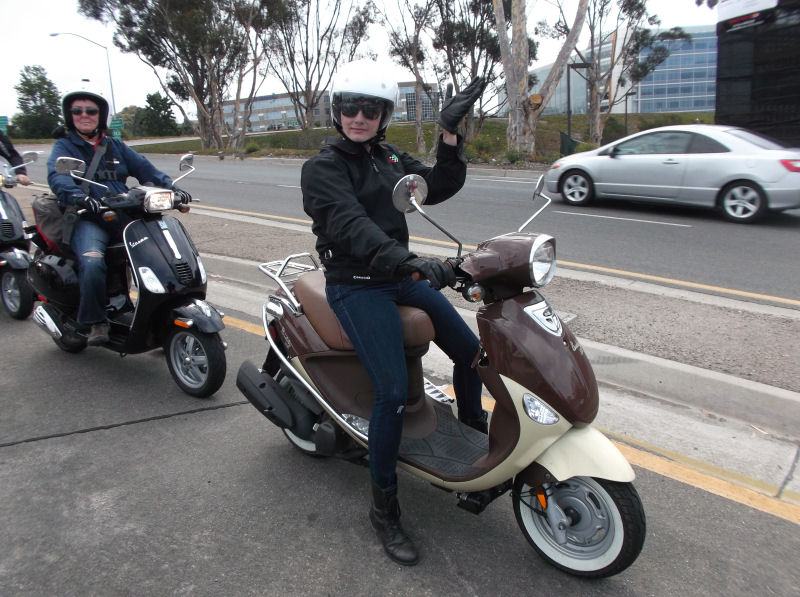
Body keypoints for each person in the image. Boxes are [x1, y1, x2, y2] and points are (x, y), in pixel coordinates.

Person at [301, 59, 486, 566]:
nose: (358, 116)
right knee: (390, 394)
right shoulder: (323, 168)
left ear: (383, 115)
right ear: (337, 112)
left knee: (473, 355)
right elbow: (350, 226)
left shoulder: (387, 157)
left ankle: (474, 441)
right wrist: (414, 264)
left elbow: (437, 187)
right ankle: (384, 510)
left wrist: (449, 135)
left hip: (398, 277)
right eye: (350, 108)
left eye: (370, 109)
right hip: (357, 285)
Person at [46, 88, 191, 346]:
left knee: (160, 254)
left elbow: (145, 169)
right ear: (70, 116)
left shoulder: (113, 146)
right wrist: (79, 197)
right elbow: (58, 178)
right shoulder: (64, 146)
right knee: (92, 263)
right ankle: (94, 321)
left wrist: (173, 188)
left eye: (91, 110)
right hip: (88, 218)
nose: (84, 115)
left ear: (100, 116)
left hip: (122, 214)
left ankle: (161, 314)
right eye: (77, 111)